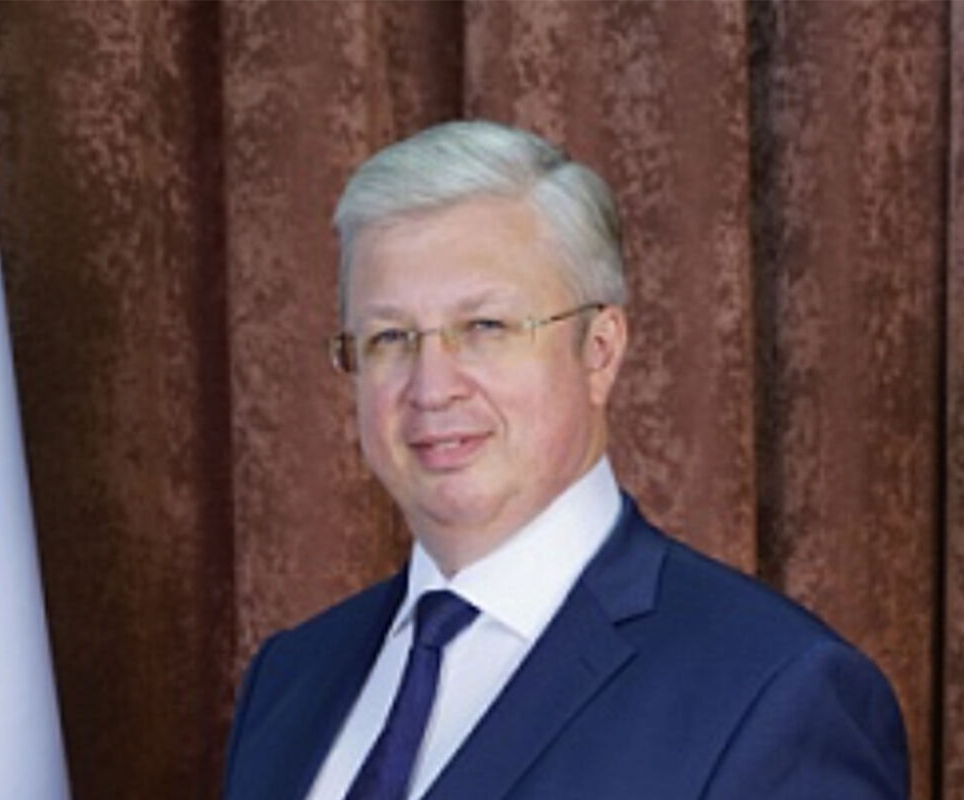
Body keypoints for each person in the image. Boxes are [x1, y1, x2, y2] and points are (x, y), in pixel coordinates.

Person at [222, 120, 908, 800]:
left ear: (600, 351)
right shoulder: (289, 681)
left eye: (485, 327)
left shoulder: (774, 694)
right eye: (390, 338)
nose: (431, 387)